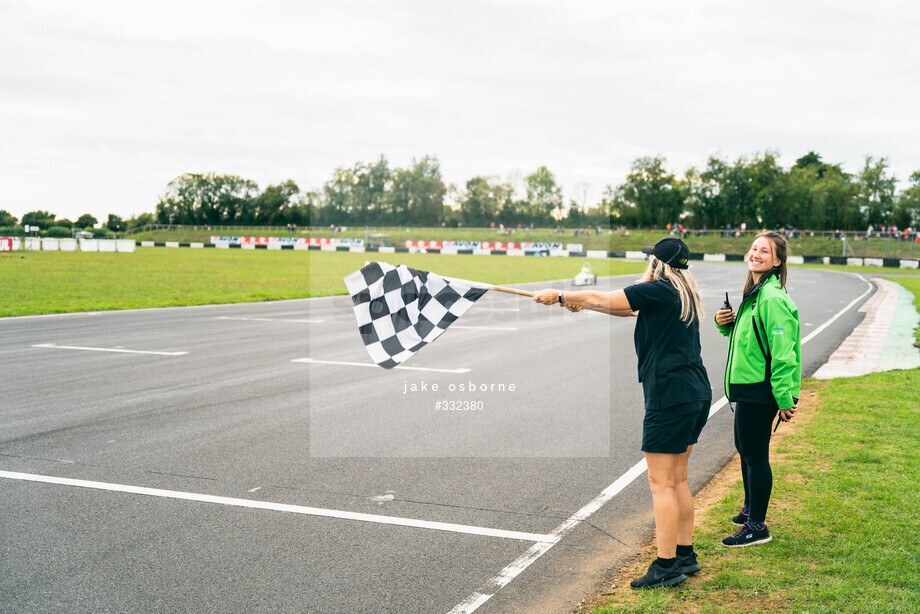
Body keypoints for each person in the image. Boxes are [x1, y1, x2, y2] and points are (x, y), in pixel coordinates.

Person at [533, 237, 711, 589]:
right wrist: (583, 305)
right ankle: (685, 556)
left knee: (661, 483)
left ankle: (666, 567)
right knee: (677, 481)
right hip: (694, 392)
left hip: (670, 396)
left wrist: (563, 296)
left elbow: (605, 296)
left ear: (657, 263)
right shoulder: (679, 292)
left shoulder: (658, 288)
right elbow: (624, 307)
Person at [714, 230, 801, 547]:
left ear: (777, 261)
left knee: (755, 456)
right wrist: (727, 324)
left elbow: (783, 353)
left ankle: (757, 526)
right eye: (754, 248)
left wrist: (783, 397)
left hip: (759, 390)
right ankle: (751, 508)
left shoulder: (772, 299)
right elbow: (751, 341)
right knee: (745, 449)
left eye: (764, 251)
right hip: (746, 386)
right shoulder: (756, 294)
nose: (756, 254)